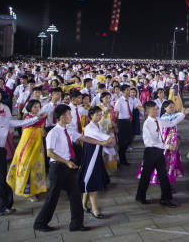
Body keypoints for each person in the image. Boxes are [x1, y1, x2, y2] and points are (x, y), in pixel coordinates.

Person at [33, 103, 108, 232]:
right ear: (62, 117)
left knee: (75, 195)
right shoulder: (53, 133)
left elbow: (84, 138)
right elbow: (50, 153)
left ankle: (76, 224)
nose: (71, 116)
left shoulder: (69, 130)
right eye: (68, 114)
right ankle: (40, 223)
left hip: (68, 167)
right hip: (57, 168)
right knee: (53, 197)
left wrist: (101, 142)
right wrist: (66, 162)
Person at [135, 100, 189, 206]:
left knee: (163, 175)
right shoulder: (147, 124)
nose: (156, 111)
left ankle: (166, 199)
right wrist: (167, 146)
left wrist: (183, 114)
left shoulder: (159, 120)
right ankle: (140, 196)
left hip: (159, 151)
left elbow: (171, 123)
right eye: (154, 109)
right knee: (146, 176)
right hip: (151, 152)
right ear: (147, 111)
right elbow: (153, 141)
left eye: (156, 108)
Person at [6, 99, 48, 201]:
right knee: (27, 166)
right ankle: (28, 192)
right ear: (29, 108)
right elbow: (32, 124)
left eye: (38, 106)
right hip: (28, 146)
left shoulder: (40, 117)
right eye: (34, 107)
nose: (37, 108)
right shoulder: (29, 118)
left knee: (36, 167)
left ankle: (36, 189)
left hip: (38, 146)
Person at [78, 106, 115, 219]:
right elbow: (102, 138)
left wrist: (108, 142)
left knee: (89, 179)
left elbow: (104, 139)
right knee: (92, 180)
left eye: (100, 114)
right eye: (97, 115)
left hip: (96, 155)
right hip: (91, 156)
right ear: (91, 116)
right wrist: (108, 139)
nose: (99, 116)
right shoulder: (89, 127)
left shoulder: (98, 125)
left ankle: (83, 204)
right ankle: (95, 209)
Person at [114, 84, 135, 166]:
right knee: (122, 142)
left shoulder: (131, 100)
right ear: (123, 91)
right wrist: (116, 125)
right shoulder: (119, 101)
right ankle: (122, 159)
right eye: (127, 90)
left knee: (129, 140)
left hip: (128, 121)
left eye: (129, 90)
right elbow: (116, 114)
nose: (129, 91)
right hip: (121, 122)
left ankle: (122, 154)